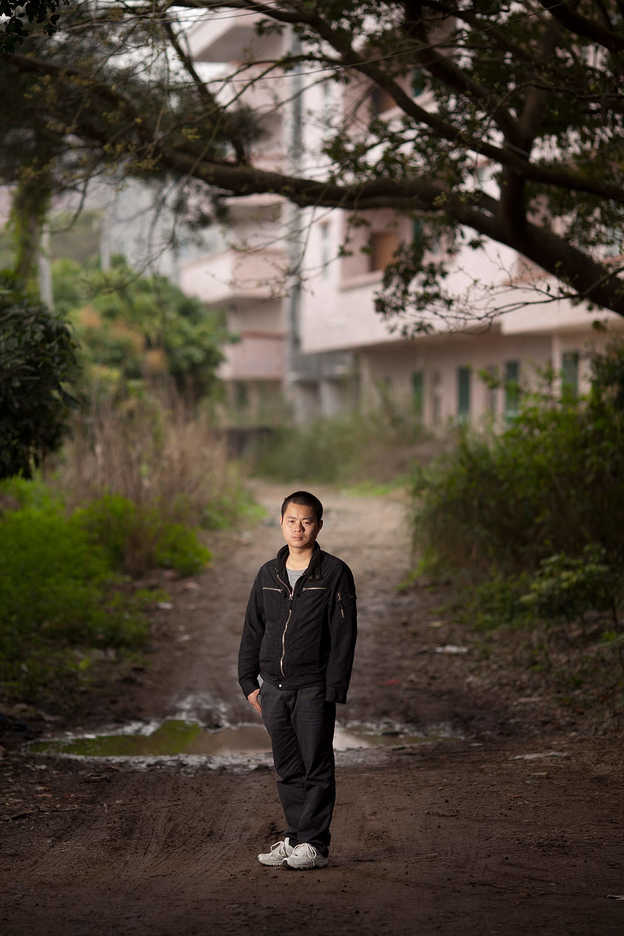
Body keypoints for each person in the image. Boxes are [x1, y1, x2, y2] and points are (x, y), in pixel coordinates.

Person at [238, 490, 357, 870]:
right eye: (292, 520)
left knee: (315, 765)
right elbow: (253, 629)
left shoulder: (335, 573)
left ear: (318, 525)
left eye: (307, 521)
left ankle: (316, 845)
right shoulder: (267, 574)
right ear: (281, 522)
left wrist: (333, 690)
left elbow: (344, 637)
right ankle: (295, 837)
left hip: (313, 688)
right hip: (272, 688)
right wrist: (249, 682)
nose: (299, 528)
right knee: (287, 767)